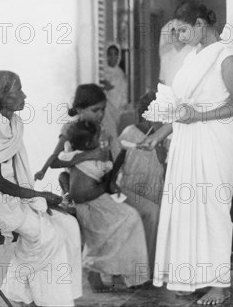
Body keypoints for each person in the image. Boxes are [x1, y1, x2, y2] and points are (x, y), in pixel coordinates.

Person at [139, 1, 233, 305]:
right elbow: (182, 107)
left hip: (215, 142)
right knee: (187, 211)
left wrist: (198, 118)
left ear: (200, 24)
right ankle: (192, 276)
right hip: (187, 142)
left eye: (184, 29)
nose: (181, 36)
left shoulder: (227, 59)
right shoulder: (193, 58)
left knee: (212, 210)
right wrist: (159, 134)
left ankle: (218, 285)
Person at [0, 70, 82, 307]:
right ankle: (17, 293)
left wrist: (35, 196)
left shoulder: (12, 121)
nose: (24, 95)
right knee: (45, 235)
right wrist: (39, 195)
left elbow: (13, 175)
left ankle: (37, 295)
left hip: (11, 191)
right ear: (3, 96)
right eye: (18, 90)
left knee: (68, 226)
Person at [37, 84, 150, 293]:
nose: (100, 115)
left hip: (99, 191)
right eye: (95, 110)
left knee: (130, 218)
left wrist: (112, 180)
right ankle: (94, 269)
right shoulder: (70, 130)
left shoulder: (102, 131)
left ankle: (119, 273)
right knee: (117, 223)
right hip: (83, 198)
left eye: (103, 110)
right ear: (80, 109)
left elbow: (109, 159)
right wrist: (86, 156)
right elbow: (55, 162)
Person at [116, 90, 165, 275]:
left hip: (154, 188)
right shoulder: (130, 133)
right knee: (140, 225)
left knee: (152, 226)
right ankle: (132, 270)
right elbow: (117, 162)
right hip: (131, 188)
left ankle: (146, 270)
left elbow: (163, 167)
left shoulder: (163, 136)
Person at [101, 43, 128, 136]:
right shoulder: (101, 72)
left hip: (116, 109)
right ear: (105, 55)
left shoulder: (120, 73)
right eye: (110, 54)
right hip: (103, 109)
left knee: (112, 133)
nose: (112, 57)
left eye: (115, 54)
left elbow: (123, 93)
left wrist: (110, 87)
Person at [159, 21, 194, 86]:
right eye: (174, 34)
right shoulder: (166, 57)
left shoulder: (193, 52)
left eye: (179, 33)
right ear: (170, 37)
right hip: (170, 93)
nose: (176, 37)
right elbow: (163, 80)